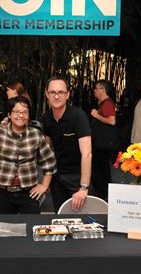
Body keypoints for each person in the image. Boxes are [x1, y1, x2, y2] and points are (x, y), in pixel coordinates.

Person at [0, 96, 56, 214]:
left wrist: (44, 186)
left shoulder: (36, 135)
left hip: (30, 193)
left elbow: (49, 162)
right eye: (16, 112)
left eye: (24, 112)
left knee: (31, 226)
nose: (21, 115)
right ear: (9, 114)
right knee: (6, 228)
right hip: (2, 194)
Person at [41, 76, 91, 213]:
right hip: (57, 177)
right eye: (52, 92)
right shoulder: (46, 118)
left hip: (77, 177)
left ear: (67, 94)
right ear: (47, 95)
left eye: (61, 92)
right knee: (60, 216)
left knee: (79, 218)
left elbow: (87, 153)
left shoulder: (78, 116)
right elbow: (48, 151)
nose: (56, 96)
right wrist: (48, 178)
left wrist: (84, 187)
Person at [90, 80, 116, 200]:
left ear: (103, 90)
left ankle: (103, 195)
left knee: (100, 170)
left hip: (102, 146)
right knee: (100, 170)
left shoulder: (108, 103)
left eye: (96, 88)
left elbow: (112, 121)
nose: (94, 90)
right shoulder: (103, 103)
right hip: (100, 144)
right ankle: (103, 194)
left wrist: (96, 115)